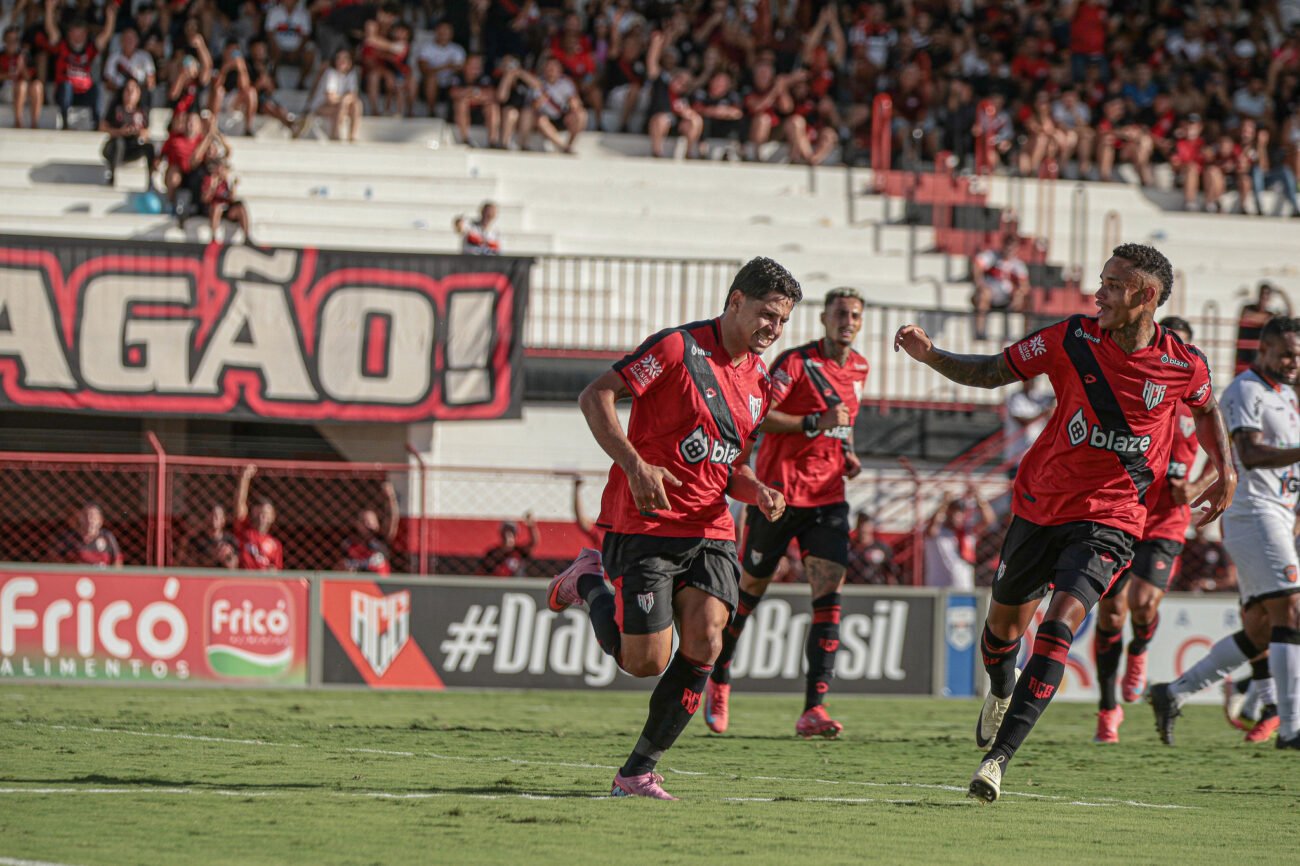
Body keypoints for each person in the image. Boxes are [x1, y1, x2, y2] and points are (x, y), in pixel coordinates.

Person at [894, 242, 1235, 802]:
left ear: (1146, 297)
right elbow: (992, 370)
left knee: (1059, 627)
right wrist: (932, 356)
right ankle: (1000, 685)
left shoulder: (1182, 362)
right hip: (1041, 506)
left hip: (1113, 519)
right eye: (1100, 281)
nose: (1097, 293)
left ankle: (997, 759)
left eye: (1112, 284)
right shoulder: (1071, 338)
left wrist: (1226, 470)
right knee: (1002, 633)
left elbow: (1206, 408)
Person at [547, 256, 801, 799]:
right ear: (735, 301)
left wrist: (757, 490)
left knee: (707, 642)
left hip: (711, 529)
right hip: (646, 522)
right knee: (645, 662)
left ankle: (637, 771)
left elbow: (728, 466)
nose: (773, 329)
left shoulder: (759, 381)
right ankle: (588, 581)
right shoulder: (675, 349)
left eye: (782, 321)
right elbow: (595, 396)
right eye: (765, 314)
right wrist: (635, 465)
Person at [703, 286, 868, 739]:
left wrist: (847, 453)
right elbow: (762, 415)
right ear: (824, 318)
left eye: (854, 314)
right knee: (748, 595)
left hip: (828, 500)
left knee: (829, 596)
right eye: (840, 313)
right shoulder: (796, 363)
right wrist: (815, 422)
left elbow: (844, 423)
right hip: (778, 496)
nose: (847, 320)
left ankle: (814, 707)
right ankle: (718, 677)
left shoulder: (859, 368)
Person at [1148, 316, 1300, 750]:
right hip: (1254, 515)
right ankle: (1290, 728)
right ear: (1264, 350)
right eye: (1286, 353)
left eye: (1299, 355)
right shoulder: (1243, 391)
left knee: (1259, 630)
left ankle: (1173, 691)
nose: (1293, 362)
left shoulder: (1285, 395)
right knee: (1292, 612)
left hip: (1279, 515)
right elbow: (1248, 453)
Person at [1091, 316, 1217, 743]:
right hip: (1125, 510)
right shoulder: (1141, 389)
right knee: (1110, 613)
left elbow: (1223, 454)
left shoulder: (1200, 400)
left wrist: (1197, 487)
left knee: (1143, 604)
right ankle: (1108, 708)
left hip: (1168, 518)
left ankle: (1140, 650)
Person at [44, 0, 117, 130]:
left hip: (83, 93)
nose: (78, 37)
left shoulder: (90, 48)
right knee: (66, 86)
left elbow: (105, 36)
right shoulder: (62, 46)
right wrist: (49, 8)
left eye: (81, 34)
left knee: (97, 87)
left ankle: (97, 122)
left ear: (86, 34)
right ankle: (65, 121)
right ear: (69, 34)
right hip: (64, 93)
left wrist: (110, 17)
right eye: (75, 33)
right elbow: (51, 29)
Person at [924, 489, 994, 590]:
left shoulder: (966, 533)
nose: (956, 516)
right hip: (939, 588)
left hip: (964, 587)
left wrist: (980, 498)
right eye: (953, 511)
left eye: (960, 512)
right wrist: (944, 504)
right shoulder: (938, 532)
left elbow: (988, 520)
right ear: (947, 512)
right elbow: (930, 528)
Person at [100, 78, 157, 189]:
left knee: (149, 147)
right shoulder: (116, 108)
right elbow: (103, 127)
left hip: (132, 147)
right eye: (127, 90)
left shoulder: (142, 111)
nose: (130, 93)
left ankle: (150, 180)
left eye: (133, 90)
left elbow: (147, 132)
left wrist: (139, 133)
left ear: (139, 93)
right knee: (118, 143)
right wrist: (120, 132)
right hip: (115, 146)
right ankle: (112, 176)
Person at [971, 234, 1029, 342]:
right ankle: (980, 333)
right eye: (1007, 246)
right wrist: (980, 283)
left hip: (1008, 298)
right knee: (984, 295)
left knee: (1027, 300)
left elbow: (1024, 285)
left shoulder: (1018, 265)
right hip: (990, 294)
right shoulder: (992, 256)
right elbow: (977, 265)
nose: (1009, 249)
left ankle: (1024, 336)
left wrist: (1019, 294)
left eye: (1012, 247)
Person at [341, 482, 399, 575]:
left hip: (380, 586)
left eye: (372, 522)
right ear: (358, 524)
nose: (368, 525)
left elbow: (392, 521)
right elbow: (341, 565)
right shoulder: (349, 544)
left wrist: (390, 498)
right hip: (357, 585)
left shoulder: (381, 540)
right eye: (364, 522)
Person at [234, 464, 284, 571]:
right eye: (259, 512)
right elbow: (240, 503)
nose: (262, 516)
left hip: (263, 583)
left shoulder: (275, 544)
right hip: (243, 579)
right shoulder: (245, 530)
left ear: (272, 517)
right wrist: (245, 478)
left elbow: (276, 569)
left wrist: (271, 570)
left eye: (266, 513)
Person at [1235, 281, 1290, 374]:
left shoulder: (1270, 314)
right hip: (1244, 356)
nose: (1264, 298)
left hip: (1258, 357)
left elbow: (1290, 317)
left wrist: (1284, 296)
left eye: (1267, 296)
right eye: (1262, 295)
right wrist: (1269, 319)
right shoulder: (1248, 309)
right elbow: (1248, 317)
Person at [309, 48, 362, 142]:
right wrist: (345, 100)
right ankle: (335, 134)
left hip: (339, 106)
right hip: (321, 106)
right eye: (339, 58)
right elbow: (330, 98)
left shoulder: (352, 74)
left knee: (357, 105)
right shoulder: (330, 73)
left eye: (345, 58)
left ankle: (352, 135)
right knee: (342, 105)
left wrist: (346, 100)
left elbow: (353, 94)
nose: (342, 61)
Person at [1003, 378, 1054, 472]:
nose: (1032, 382)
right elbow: (1023, 422)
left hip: (1035, 458)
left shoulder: (1039, 397)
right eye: (1029, 379)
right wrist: (1042, 414)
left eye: (1034, 379)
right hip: (1017, 457)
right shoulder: (1015, 398)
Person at [263, 0, 315, 90]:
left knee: (310, 53)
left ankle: (301, 82)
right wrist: (276, 47)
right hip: (279, 46)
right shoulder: (274, 12)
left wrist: (298, 50)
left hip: (297, 47)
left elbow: (306, 35)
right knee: (270, 50)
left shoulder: (303, 14)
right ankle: (273, 80)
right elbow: (269, 33)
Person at [200, 157, 252, 244]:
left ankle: (246, 236)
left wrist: (233, 187)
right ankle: (213, 237)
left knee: (240, 206)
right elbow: (205, 199)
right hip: (212, 209)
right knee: (217, 207)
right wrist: (213, 187)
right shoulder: (209, 180)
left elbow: (231, 198)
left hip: (225, 209)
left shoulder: (226, 182)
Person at [53, 503, 123, 567]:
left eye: (93, 517)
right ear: (81, 519)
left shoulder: (107, 537)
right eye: (86, 516)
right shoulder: (69, 537)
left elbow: (117, 561)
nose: (90, 520)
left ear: (100, 520)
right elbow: (54, 558)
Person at [0, 24, 43, 129]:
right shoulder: (0, 55)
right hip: (6, 90)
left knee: (37, 85)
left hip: (24, 91)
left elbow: (31, 79)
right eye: (9, 39)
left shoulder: (25, 56)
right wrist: (7, 76)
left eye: (15, 40)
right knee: (22, 85)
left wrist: (22, 67)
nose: (12, 43)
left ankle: (34, 123)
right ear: (4, 40)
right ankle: (18, 122)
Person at [845, 513, 898, 585]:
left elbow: (891, 573)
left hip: (874, 592)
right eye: (860, 525)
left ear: (871, 527)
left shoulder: (882, 548)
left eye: (866, 525)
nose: (863, 528)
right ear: (857, 526)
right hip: (853, 591)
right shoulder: (848, 548)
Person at [479, 513, 538, 577]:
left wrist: (531, 527)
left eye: (512, 531)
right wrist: (504, 550)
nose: (508, 534)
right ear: (501, 534)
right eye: (506, 531)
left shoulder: (519, 551)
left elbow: (533, 543)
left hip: (516, 584)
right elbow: (484, 569)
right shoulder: (493, 552)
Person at [185, 504, 239, 569]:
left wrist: (228, 556)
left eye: (216, 516)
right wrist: (214, 558)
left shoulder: (230, 540)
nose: (213, 519)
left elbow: (234, 567)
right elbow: (189, 565)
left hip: (224, 577)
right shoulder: (197, 539)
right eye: (210, 515)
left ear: (223, 520)